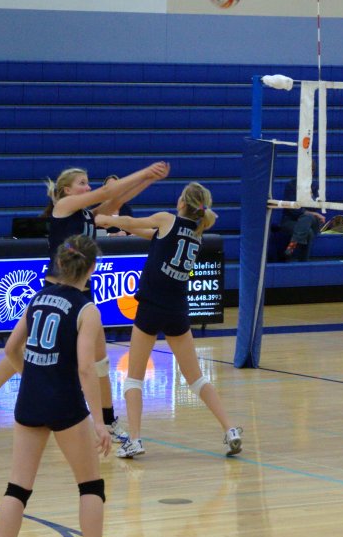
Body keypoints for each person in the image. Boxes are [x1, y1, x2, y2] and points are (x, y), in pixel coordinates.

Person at [0, 162, 170, 436]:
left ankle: (108, 419)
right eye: (82, 183)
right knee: (28, 350)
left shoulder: (87, 214)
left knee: (100, 360)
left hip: (83, 291)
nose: (87, 187)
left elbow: (117, 200)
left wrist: (149, 180)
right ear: (66, 190)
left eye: (88, 182)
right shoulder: (63, 207)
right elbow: (106, 192)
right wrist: (144, 172)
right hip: (56, 291)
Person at [0, 234, 125, 537]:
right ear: (91, 269)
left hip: (30, 401)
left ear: (61, 264)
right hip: (64, 402)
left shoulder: (37, 298)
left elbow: (10, 348)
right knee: (90, 485)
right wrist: (100, 422)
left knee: (17, 487)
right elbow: (86, 368)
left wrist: (32, 377)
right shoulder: (87, 309)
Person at [93, 182, 243, 458]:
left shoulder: (166, 219)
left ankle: (135, 440)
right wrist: (120, 225)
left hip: (151, 306)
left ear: (182, 202)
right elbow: (151, 235)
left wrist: (106, 219)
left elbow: (134, 222)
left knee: (133, 379)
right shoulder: (197, 233)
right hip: (177, 309)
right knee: (196, 379)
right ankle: (230, 428)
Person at [279, 172, 325, 260]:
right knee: (308, 232)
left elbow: (316, 207)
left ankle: (293, 244)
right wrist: (313, 213)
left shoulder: (314, 186)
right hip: (291, 221)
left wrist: (311, 197)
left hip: (311, 221)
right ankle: (303, 261)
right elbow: (293, 209)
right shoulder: (291, 185)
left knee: (308, 217)